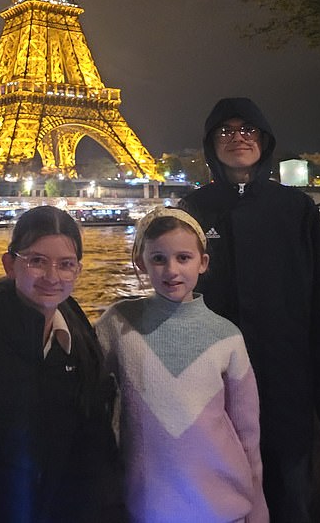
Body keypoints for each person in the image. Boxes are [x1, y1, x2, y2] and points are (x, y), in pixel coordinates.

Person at [180, 97, 320, 523]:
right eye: (226, 130)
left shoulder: (297, 209)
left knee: (290, 497)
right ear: (212, 144)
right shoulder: (192, 210)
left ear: (264, 140)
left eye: (247, 129)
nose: (238, 138)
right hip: (216, 388)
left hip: (286, 384)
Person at [0, 205, 122, 523]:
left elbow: (94, 448)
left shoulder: (79, 339)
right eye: (36, 261)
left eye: (65, 265)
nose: (52, 277)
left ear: (78, 271)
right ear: (9, 264)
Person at [96, 206, 268, 523]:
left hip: (222, 506)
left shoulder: (227, 336)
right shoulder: (118, 323)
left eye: (183, 258)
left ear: (203, 263)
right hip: (148, 504)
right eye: (158, 258)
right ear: (141, 264)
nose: (171, 270)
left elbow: (247, 434)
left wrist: (256, 506)